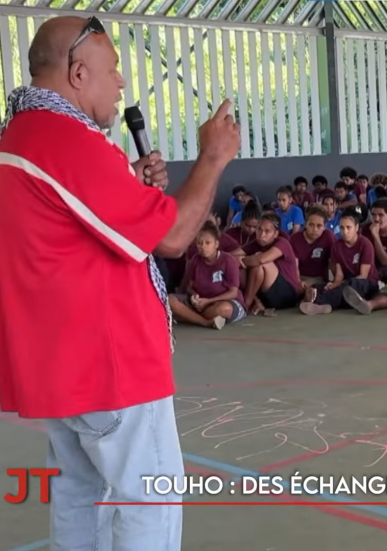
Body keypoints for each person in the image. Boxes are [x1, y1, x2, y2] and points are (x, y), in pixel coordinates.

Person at [0, 15, 240, 551]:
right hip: (110, 367)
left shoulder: (20, 137)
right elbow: (175, 237)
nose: (122, 83)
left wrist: (129, 187)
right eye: (114, 70)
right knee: (147, 498)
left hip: (58, 367)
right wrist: (214, 156)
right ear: (78, 73)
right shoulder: (67, 142)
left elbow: (66, 234)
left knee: (78, 495)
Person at [299, 208, 378, 315]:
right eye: (342, 228)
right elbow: (339, 276)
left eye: (348, 227)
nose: (344, 232)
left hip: (365, 284)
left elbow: (363, 275)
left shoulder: (365, 244)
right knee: (319, 287)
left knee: (351, 284)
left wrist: (339, 284)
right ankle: (324, 304)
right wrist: (333, 285)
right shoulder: (337, 246)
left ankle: (319, 302)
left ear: (357, 228)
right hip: (345, 284)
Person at [170, 222, 247, 329]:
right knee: (170, 300)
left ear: (216, 244)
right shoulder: (195, 260)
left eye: (207, 243)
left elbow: (233, 293)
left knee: (223, 309)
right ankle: (206, 322)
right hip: (200, 303)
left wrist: (209, 301)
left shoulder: (228, 261)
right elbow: (189, 287)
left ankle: (187, 316)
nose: (203, 247)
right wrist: (194, 296)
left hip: (222, 302)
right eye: (199, 243)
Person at [242, 213, 303, 315]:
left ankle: (246, 304)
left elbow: (262, 260)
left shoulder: (283, 243)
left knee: (260, 263)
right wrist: (237, 259)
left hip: (288, 294)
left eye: (267, 231)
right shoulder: (256, 243)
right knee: (244, 268)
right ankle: (254, 302)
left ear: (275, 234)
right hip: (267, 295)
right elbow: (232, 255)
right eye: (259, 229)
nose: (262, 235)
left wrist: (242, 260)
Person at [289, 206, 334, 287]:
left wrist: (335, 283)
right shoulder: (294, 239)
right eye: (311, 225)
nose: (315, 229)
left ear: (325, 226)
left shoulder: (329, 237)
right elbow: (294, 267)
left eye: (319, 226)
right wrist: (298, 282)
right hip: (298, 278)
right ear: (305, 224)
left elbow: (334, 262)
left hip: (319, 279)